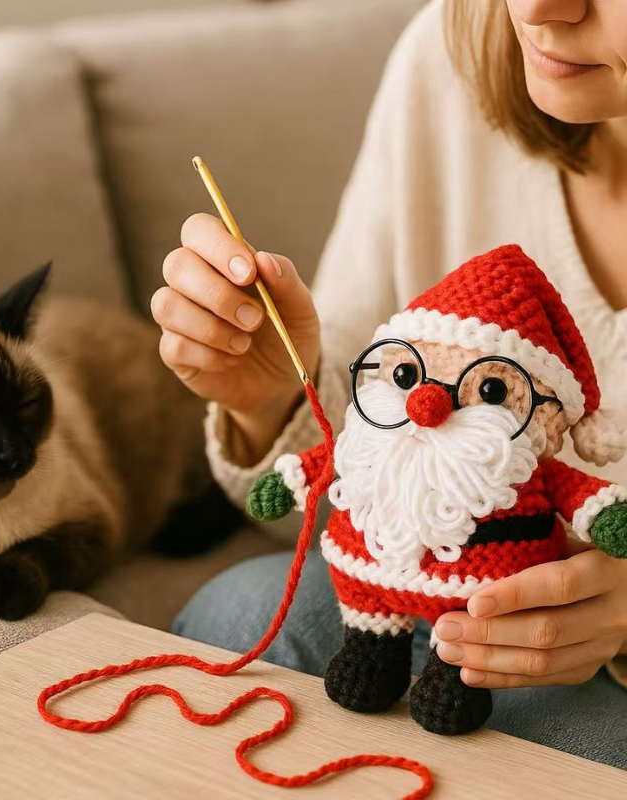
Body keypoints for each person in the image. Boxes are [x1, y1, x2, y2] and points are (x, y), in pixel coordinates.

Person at [150, 0, 627, 768]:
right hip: (403, 602)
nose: (537, 7)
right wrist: (272, 394)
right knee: (238, 610)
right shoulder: (449, 64)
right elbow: (350, 478)